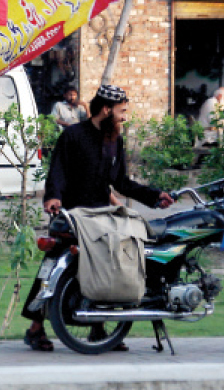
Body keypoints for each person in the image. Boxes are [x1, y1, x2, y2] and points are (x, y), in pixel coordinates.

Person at [22, 84, 175, 352]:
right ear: (106, 110)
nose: (124, 116)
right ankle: (36, 328)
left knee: (108, 264)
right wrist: (53, 197)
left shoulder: (115, 140)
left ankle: (100, 329)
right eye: (121, 111)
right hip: (73, 213)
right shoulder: (72, 136)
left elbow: (121, 182)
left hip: (102, 214)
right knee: (54, 267)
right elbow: (57, 172)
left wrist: (154, 196)